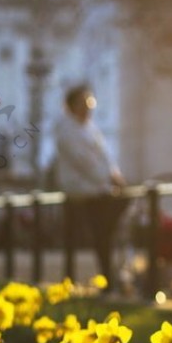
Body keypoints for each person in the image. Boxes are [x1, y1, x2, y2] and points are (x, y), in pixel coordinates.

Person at [53, 85, 127, 287]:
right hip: (83, 190)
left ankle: (108, 275)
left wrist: (114, 174)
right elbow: (83, 161)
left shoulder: (89, 127)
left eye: (90, 102)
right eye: (85, 103)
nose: (89, 108)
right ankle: (103, 277)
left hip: (98, 188)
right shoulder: (67, 130)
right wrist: (109, 177)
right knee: (100, 233)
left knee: (104, 232)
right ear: (73, 105)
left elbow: (105, 157)